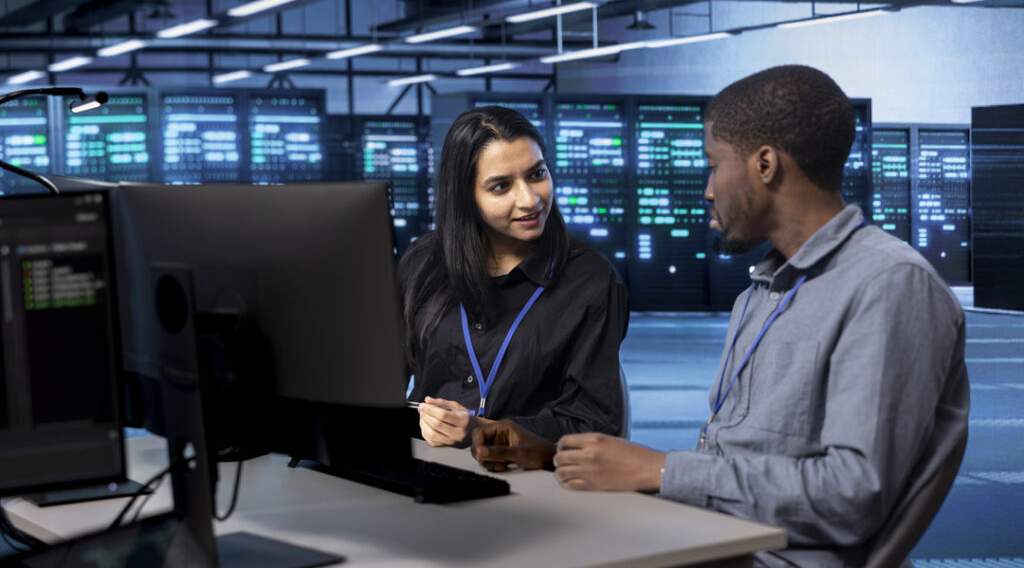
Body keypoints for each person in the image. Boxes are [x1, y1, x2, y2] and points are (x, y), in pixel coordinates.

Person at [472, 66, 970, 567]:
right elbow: (727, 471)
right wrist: (559, 457)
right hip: (711, 537)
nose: (709, 190)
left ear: (765, 165)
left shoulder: (888, 285)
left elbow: (852, 497)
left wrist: (663, 472)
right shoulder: (760, 294)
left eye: (715, 165)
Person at [399, 105, 628, 448]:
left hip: (531, 478)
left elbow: (593, 421)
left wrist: (483, 431)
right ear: (465, 197)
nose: (530, 199)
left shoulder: (590, 280)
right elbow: (377, 384)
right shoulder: (422, 262)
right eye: (501, 186)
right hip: (425, 463)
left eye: (537, 174)